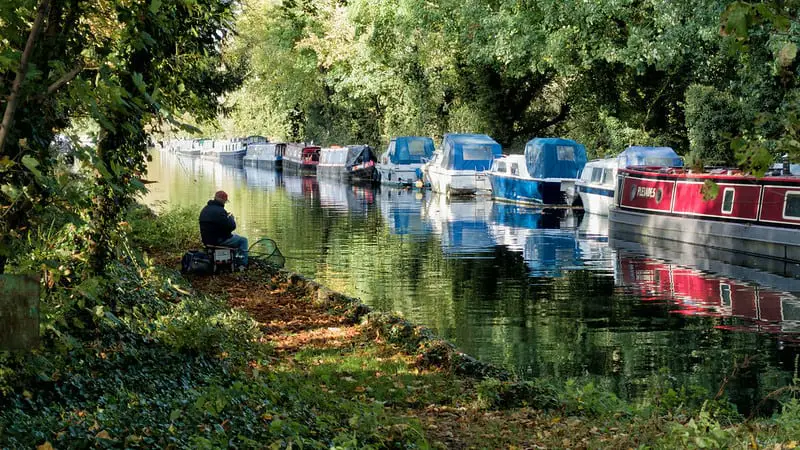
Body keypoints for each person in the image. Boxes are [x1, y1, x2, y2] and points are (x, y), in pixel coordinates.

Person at [199, 190, 248, 265]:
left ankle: (234, 258)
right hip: (217, 241)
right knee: (243, 240)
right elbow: (232, 226)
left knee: (235, 236)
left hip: (206, 240)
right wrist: (231, 218)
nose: (225, 203)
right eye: (225, 201)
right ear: (223, 200)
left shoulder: (205, 209)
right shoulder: (220, 211)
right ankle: (242, 264)